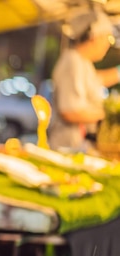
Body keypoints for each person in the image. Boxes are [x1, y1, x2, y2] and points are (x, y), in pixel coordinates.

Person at [49, 8, 120, 152]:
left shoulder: (83, 63)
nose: (108, 45)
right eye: (108, 38)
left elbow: (96, 80)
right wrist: (109, 114)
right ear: (94, 36)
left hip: (78, 147)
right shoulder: (72, 62)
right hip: (67, 148)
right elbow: (70, 111)